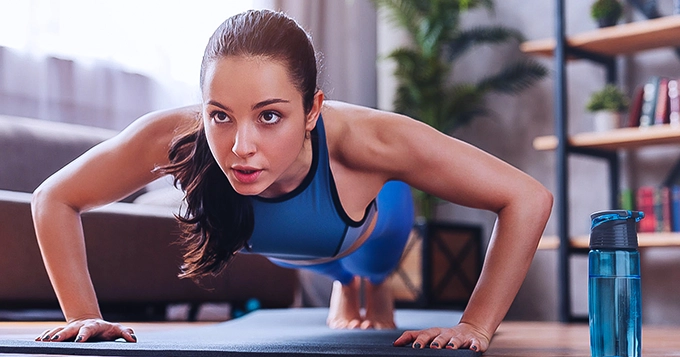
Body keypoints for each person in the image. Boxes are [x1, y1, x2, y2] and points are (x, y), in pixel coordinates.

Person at [31, 9, 552, 352]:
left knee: (370, 264)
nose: (240, 146)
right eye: (221, 115)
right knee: (326, 266)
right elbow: (54, 197)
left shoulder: (371, 141)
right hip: (293, 243)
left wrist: (476, 325)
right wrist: (83, 316)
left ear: (311, 111)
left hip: (372, 221)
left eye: (270, 116)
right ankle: (345, 285)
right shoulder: (174, 137)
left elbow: (526, 197)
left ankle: (365, 282)